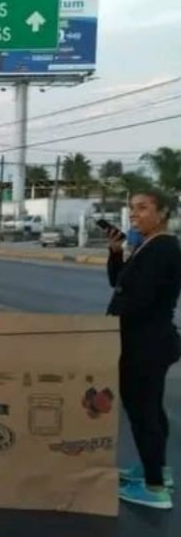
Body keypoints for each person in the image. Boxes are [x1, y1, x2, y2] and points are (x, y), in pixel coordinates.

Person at [105, 188, 181, 510]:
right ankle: (158, 471)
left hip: (146, 343)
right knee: (150, 410)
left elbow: (139, 298)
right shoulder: (148, 245)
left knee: (142, 414)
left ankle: (153, 489)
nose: (134, 214)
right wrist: (116, 252)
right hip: (149, 340)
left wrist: (113, 317)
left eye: (143, 207)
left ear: (161, 212)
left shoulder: (163, 247)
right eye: (131, 208)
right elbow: (118, 281)